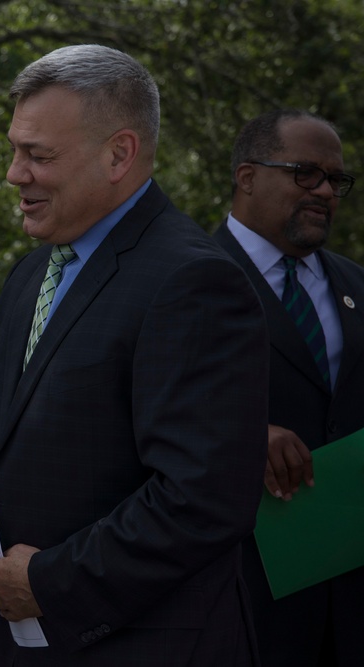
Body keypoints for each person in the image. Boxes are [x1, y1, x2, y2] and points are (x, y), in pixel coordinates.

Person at [0, 44, 270, 665]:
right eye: (15, 149)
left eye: (38, 155)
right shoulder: (36, 269)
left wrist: (49, 582)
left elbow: (202, 499)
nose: (15, 174)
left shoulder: (193, 281)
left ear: (119, 153)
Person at [213, 109, 364, 667]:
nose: (325, 190)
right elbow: (131, 402)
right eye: (305, 173)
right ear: (247, 177)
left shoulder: (355, 285)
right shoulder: (186, 277)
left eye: (335, 179)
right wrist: (242, 434)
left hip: (349, 592)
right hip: (243, 591)